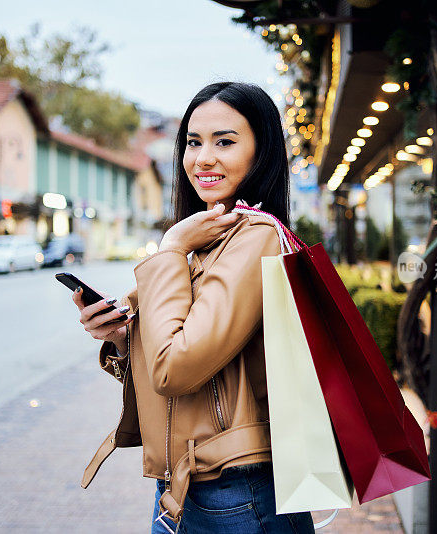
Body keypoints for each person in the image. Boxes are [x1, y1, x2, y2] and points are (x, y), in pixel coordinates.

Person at [73, 82, 316, 534]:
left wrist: (170, 247)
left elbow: (175, 370)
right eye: (192, 142)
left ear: (260, 152)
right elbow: (188, 367)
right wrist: (124, 338)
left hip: (236, 493)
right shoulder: (205, 242)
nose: (203, 158)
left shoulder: (255, 237)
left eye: (225, 141)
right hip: (186, 489)